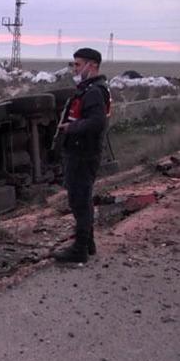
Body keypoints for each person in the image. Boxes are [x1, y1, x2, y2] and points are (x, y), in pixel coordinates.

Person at [54, 48, 111, 263]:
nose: (75, 69)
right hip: (81, 152)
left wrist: (71, 128)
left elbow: (97, 122)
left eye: (78, 65)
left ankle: (79, 250)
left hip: (83, 154)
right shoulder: (89, 89)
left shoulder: (95, 91)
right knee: (82, 199)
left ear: (92, 65)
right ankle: (88, 244)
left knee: (80, 201)